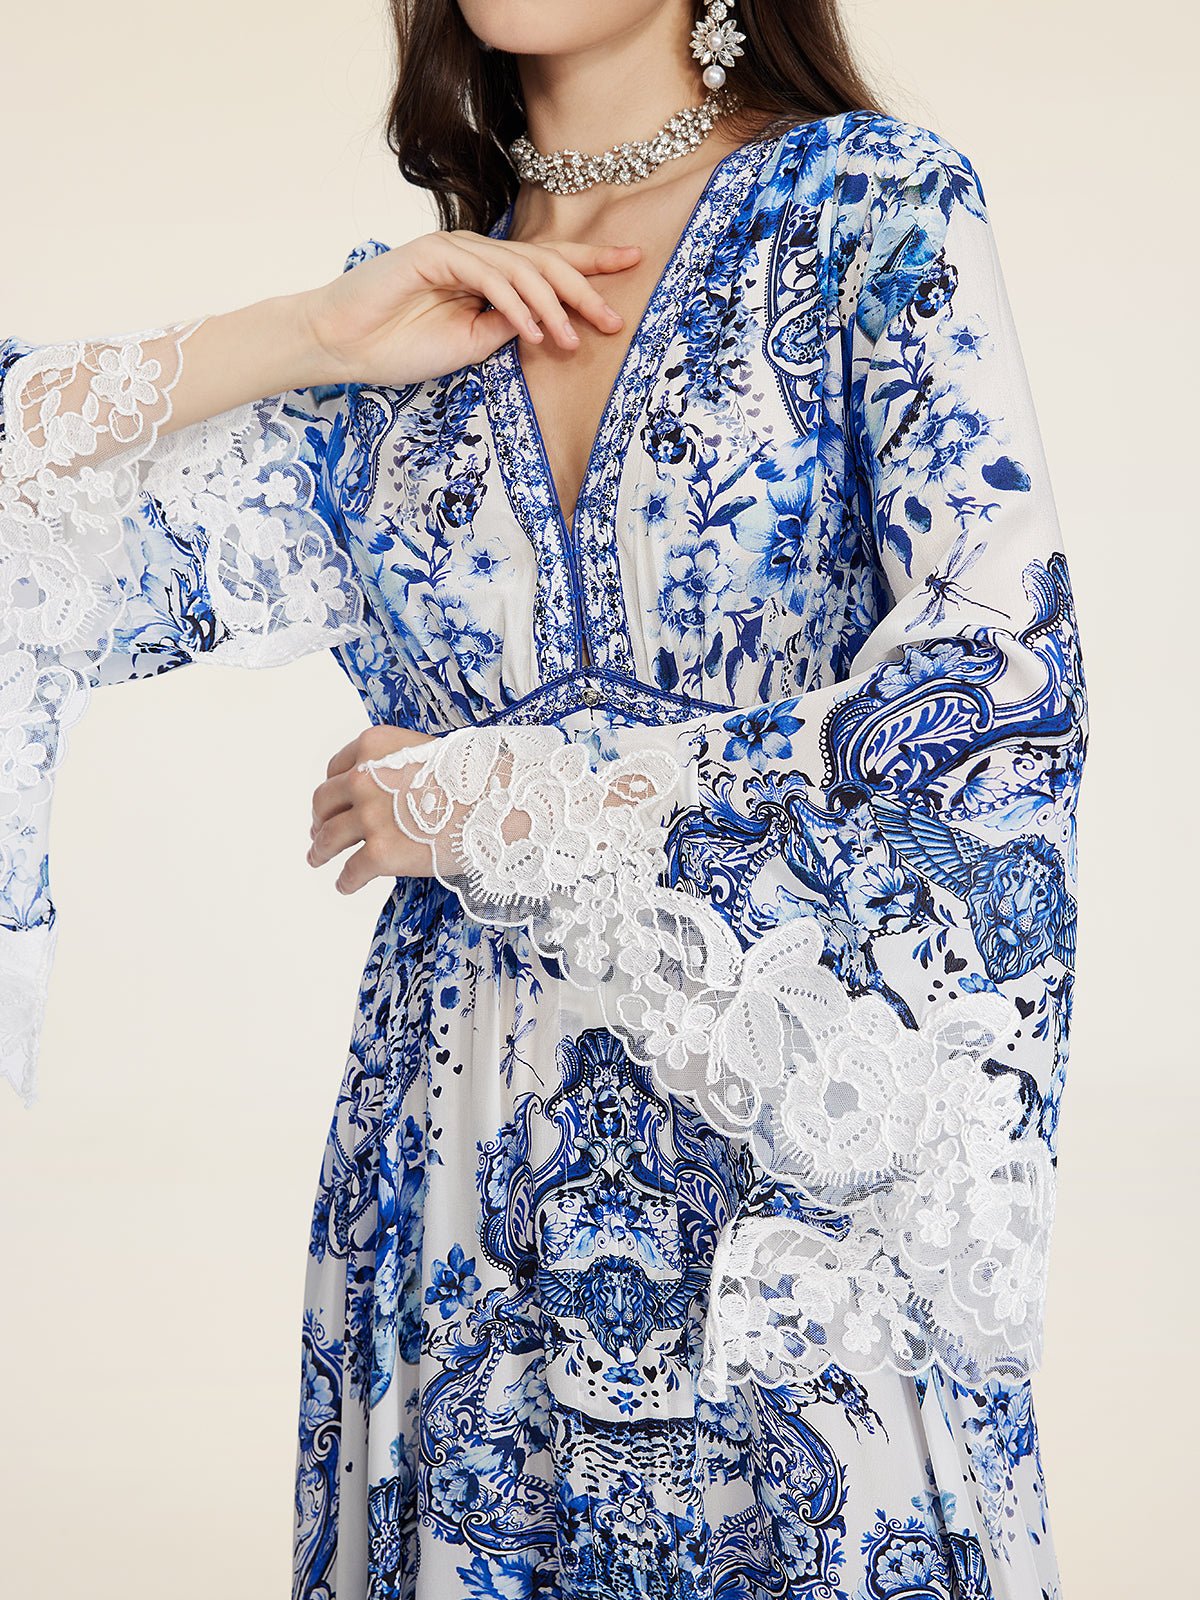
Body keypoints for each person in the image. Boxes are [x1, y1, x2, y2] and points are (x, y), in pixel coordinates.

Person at [0, 1, 1089, 1595]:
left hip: (787, 1181)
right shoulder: (407, 327)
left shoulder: (871, 209)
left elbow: (999, 690)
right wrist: (306, 333)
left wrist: (507, 798)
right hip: (459, 1183)